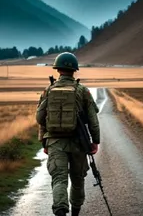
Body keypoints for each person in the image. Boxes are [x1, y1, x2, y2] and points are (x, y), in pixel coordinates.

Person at [36, 52, 100, 216]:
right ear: (74, 71)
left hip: (55, 142)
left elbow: (40, 118)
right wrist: (95, 141)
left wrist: (44, 143)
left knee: (59, 179)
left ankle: (60, 211)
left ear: (57, 69)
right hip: (78, 142)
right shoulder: (82, 91)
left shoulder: (48, 90)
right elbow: (93, 119)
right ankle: (75, 213)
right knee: (78, 180)